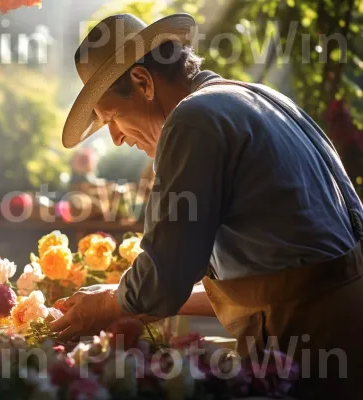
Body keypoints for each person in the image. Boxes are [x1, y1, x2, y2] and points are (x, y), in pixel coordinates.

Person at [51, 12, 363, 398]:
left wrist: (109, 305)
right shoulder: (258, 98)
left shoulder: (193, 119)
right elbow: (264, 281)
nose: (115, 138)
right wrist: (117, 297)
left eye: (112, 117)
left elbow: (163, 281)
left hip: (311, 342)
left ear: (143, 82)